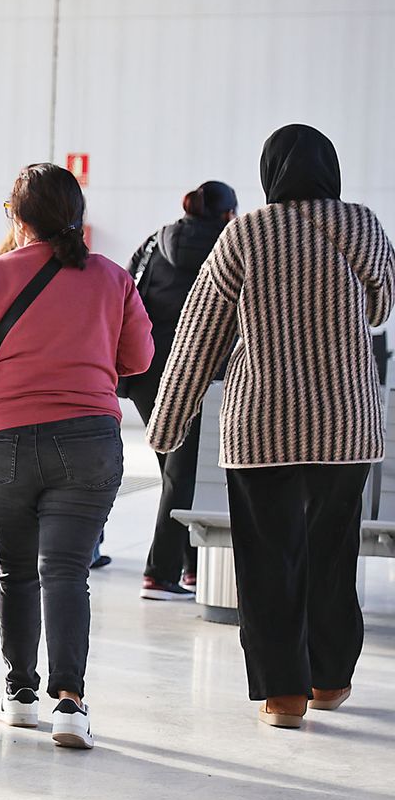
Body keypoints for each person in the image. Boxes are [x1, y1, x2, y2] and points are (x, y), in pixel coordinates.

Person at [149, 125, 393, 730]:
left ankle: (284, 696)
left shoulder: (245, 233)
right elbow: (382, 306)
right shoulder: (360, 224)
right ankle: (330, 678)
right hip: (345, 427)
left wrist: (167, 425)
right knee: (332, 557)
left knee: (267, 563)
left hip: (263, 429)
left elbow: (200, 334)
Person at [0, 163, 152, 751]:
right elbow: (138, 356)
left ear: (17, 216)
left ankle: (22, 694)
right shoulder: (112, 277)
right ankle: (70, 703)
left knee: (16, 568)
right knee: (66, 571)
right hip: (87, 439)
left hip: (4, 441)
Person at [119, 180, 237, 600]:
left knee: (175, 470)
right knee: (182, 473)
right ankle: (161, 572)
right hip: (197, 371)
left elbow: (128, 296)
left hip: (147, 373)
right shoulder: (231, 246)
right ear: (227, 214)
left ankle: (190, 567)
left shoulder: (155, 241)